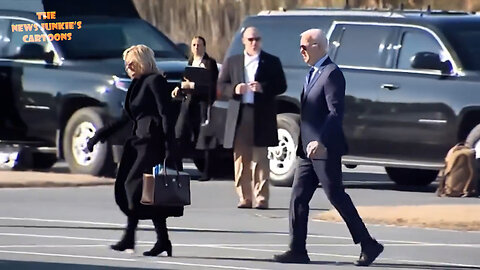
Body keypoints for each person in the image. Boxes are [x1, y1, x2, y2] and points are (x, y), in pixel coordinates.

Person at [273, 29, 384, 266]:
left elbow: (335, 113)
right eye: (300, 46)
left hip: (324, 149)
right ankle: (297, 249)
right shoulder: (312, 73)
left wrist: (321, 140)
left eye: (305, 46)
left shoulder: (332, 74)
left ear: (319, 47)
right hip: (307, 151)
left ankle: (368, 244)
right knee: (298, 198)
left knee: (336, 196)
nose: (301, 51)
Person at [86, 44, 182, 257]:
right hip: (138, 142)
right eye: (126, 64)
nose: (128, 67)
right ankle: (158, 240)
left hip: (153, 143)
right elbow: (125, 118)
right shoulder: (136, 84)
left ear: (144, 62)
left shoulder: (155, 81)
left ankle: (134, 237)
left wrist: (169, 146)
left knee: (136, 189)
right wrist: (98, 136)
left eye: (132, 63)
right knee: (146, 193)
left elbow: (166, 114)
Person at [218, 26, 287, 209]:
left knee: (261, 158)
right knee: (241, 158)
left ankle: (261, 197)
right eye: (250, 39)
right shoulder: (233, 61)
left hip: (261, 114)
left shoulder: (271, 61)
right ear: (243, 41)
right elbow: (221, 85)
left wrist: (263, 87)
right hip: (240, 114)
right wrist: (234, 89)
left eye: (257, 39)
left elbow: (281, 85)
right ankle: (244, 197)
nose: (254, 43)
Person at [172, 36, 219, 181]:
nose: (196, 47)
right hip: (189, 103)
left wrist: (193, 86)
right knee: (179, 133)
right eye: (193, 45)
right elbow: (185, 81)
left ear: (204, 47)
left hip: (203, 104)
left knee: (203, 137)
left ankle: (207, 171)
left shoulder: (210, 63)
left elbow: (212, 86)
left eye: (199, 45)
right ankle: (177, 168)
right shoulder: (190, 62)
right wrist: (179, 89)